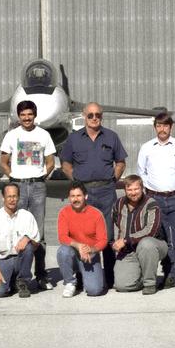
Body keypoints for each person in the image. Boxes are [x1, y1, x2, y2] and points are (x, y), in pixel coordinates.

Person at [59, 102, 126, 283]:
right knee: (82, 232)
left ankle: (110, 276)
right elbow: (65, 164)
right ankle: (83, 274)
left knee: (108, 233)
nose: (94, 118)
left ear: (101, 116)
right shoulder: (74, 139)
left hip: (106, 191)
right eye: (90, 115)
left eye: (98, 115)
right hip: (84, 191)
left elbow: (120, 162)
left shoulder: (111, 136)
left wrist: (112, 180)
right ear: (84, 116)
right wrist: (77, 184)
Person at [0, 100, 56, 288]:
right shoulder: (11, 135)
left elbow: (51, 162)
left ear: (35, 115)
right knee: (16, 230)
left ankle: (41, 275)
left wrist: (40, 177)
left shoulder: (44, 135)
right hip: (18, 186)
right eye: (23, 115)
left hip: (38, 186)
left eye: (29, 114)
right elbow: (4, 162)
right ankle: (17, 276)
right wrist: (13, 178)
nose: (26, 118)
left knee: (38, 233)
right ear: (18, 116)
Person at [138, 111, 175, 290]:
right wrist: (150, 191)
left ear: (171, 127)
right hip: (155, 199)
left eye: (166, 126)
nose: (162, 129)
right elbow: (141, 172)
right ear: (155, 127)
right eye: (159, 126)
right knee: (164, 239)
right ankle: (170, 273)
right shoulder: (147, 148)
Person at [109, 174, 168, 294]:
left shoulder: (151, 204)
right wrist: (115, 243)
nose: (133, 193)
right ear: (125, 190)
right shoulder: (118, 204)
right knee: (122, 286)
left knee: (146, 244)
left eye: (136, 189)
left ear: (142, 188)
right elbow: (115, 223)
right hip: (129, 250)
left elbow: (151, 231)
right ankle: (140, 277)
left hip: (154, 246)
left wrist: (126, 240)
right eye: (129, 189)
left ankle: (150, 283)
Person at [0, 183, 38, 298]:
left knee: (28, 247)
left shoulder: (27, 216)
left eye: (15, 196)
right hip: (4, 260)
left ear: (19, 197)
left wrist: (27, 238)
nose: (12, 200)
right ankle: (13, 282)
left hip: (20, 259)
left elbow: (36, 244)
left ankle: (23, 281)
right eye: (9, 196)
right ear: (3, 197)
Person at [56, 182, 107, 297]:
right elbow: (62, 237)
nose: (76, 199)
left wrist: (90, 249)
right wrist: (79, 246)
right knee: (63, 251)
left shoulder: (96, 214)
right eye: (72, 196)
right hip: (73, 253)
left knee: (94, 291)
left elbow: (103, 240)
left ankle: (83, 275)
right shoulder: (64, 212)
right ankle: (70, 282)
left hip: (90, 255)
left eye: (79, 195)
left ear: (86, 196)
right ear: (69, 198)